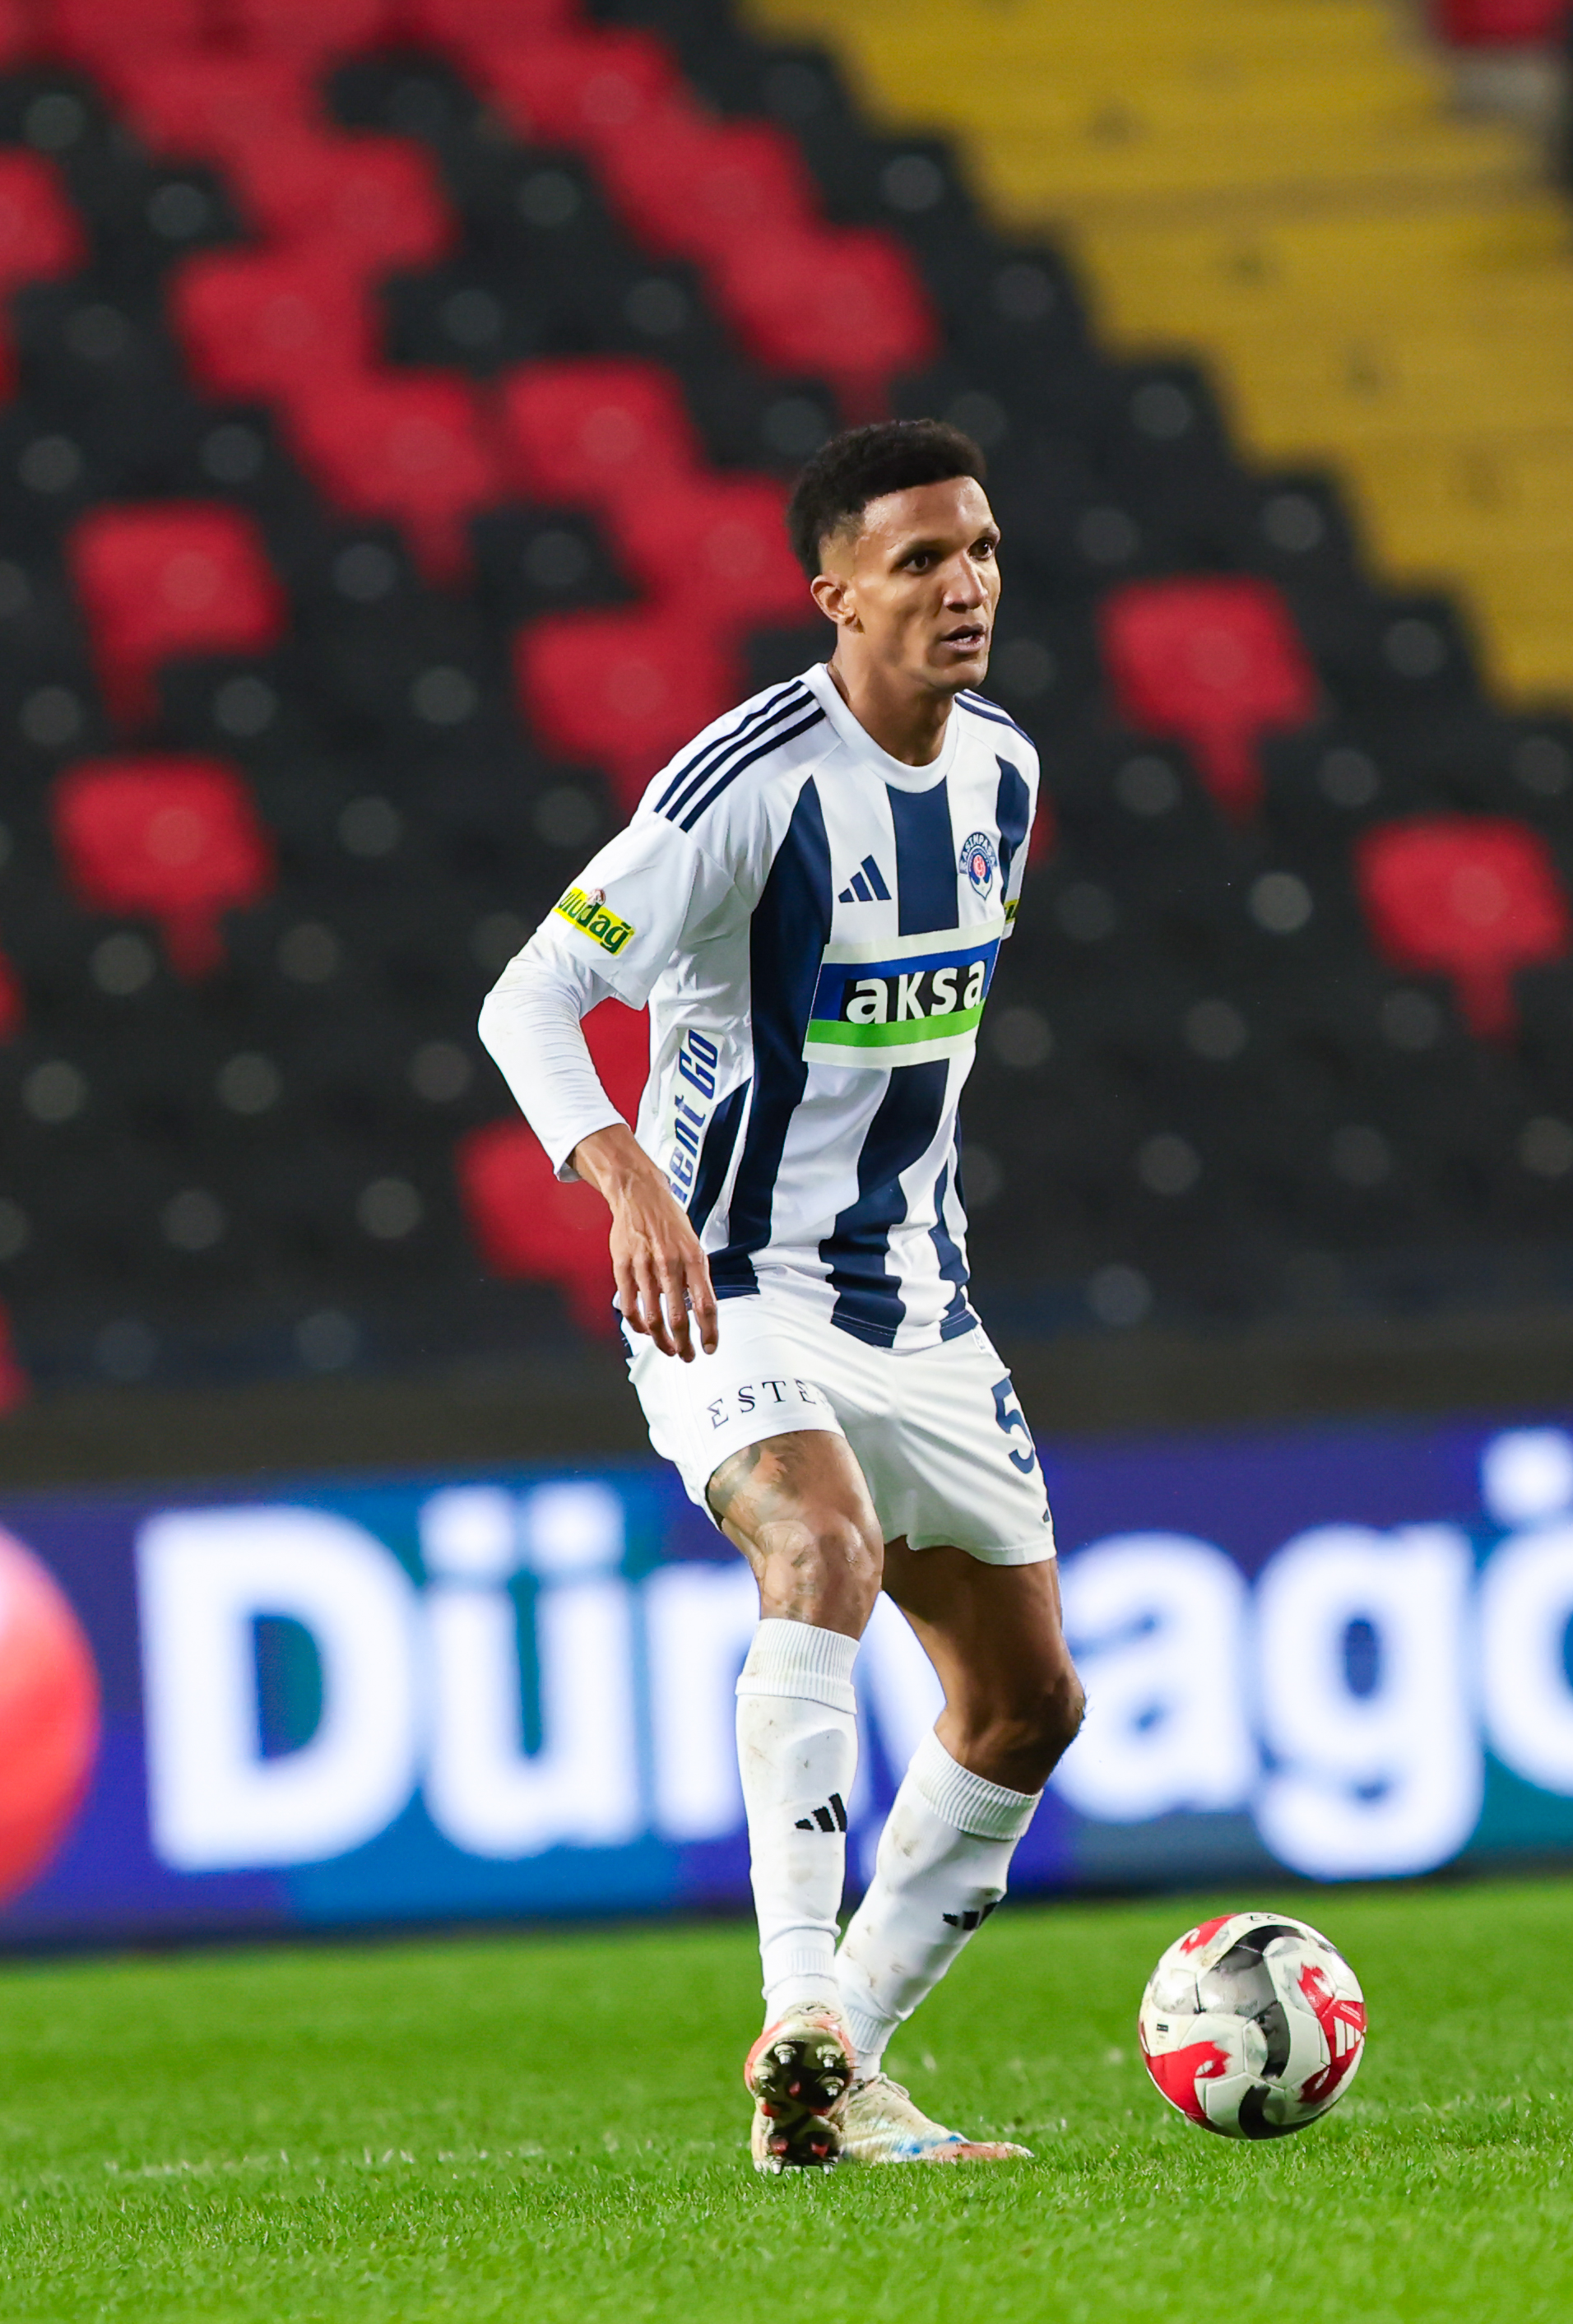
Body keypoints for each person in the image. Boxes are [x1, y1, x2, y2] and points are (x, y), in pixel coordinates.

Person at [479, 419, 1083, 2172]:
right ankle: (799, 2001)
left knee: (1027, 1706)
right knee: (822, 1547)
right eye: (920, 559)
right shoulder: (737, 787)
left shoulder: (1005, 775)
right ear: (833, 594)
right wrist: (625, 1179)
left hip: (917, 1296)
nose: (965, 585)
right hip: (726, 1282)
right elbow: (528, 999)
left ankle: (836, 2087)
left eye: (980, 549)